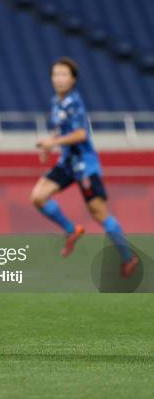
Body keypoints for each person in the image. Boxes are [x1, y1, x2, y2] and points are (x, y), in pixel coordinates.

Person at [31, 57, 139, 278]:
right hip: (67, 163)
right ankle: (72, 230)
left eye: (64, 75)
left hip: (85, 166)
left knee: (99, 214)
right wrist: (48, 142)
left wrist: (52, 143)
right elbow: (62, 130)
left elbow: (81, 134)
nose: (59, 79)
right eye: (56, 74)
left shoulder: (75, 102)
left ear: (73, 80)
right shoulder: (56, 102)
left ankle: (129, 257)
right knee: (38, 197)